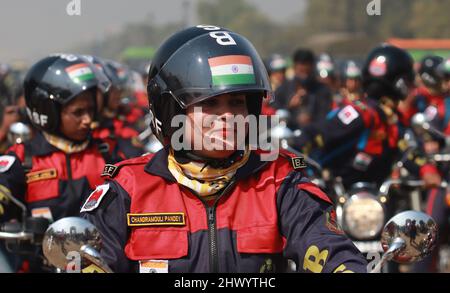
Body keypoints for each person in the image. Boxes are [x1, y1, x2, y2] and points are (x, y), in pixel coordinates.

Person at [81, 25, 367, 273]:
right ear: (170, 111)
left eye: (237, 103)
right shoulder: (127, 189)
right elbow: (90, 260)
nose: (228, 117)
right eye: (210, 104)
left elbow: (327, 247)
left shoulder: (279, 179)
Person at [294, 44, 415, 189]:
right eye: (407, 81)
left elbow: (413, 155)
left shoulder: (396, 120)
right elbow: (307, 139)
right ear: (398, 82)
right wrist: (305, 174)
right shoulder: (360, 113)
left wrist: (428, 171)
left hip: (377, 198)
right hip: (339, 196)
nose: (411, 86)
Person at [274, 49, 332, 129]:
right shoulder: (282, 89)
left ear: (312, 68)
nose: (304, 76)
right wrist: (289, 107)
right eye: (301, 71)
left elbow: (325, 117)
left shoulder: (323, 90)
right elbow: (274, 116)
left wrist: (310, 119)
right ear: (294, 68)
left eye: (307, 72)